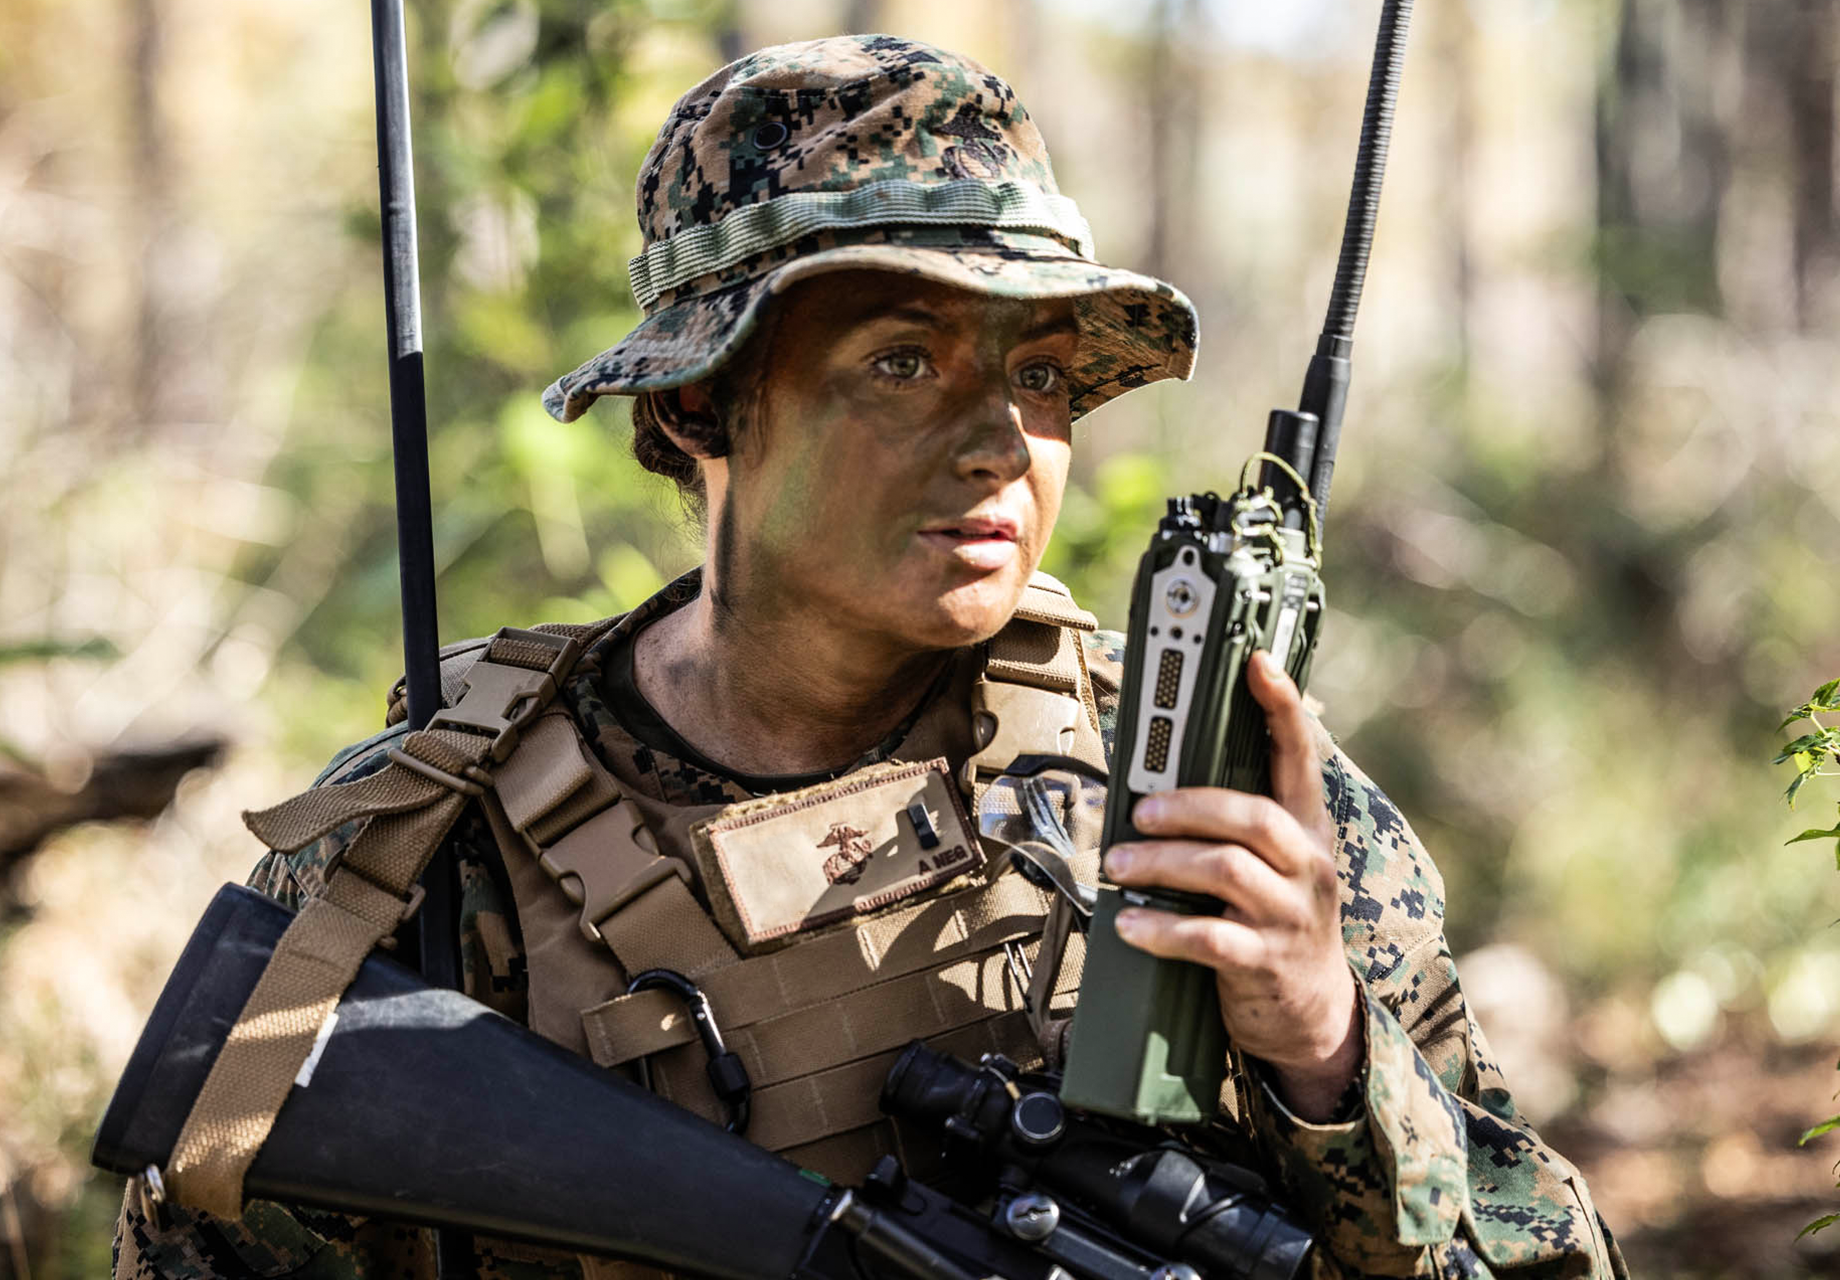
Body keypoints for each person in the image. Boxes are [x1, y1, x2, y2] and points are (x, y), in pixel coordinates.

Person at [112, 33, 1627, 1280]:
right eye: (901, 362)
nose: (999, 444)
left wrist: (1322, 1052)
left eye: (1040, 376)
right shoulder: (428, 851)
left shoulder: (1198, 793)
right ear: (702, 409)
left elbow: (1556, 1257)